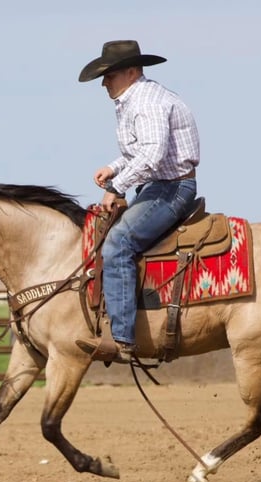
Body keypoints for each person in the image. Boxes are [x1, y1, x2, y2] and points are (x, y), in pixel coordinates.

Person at [75, 40, 200, 363]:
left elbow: (153, 155)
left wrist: (116, 187)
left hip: (170, 189)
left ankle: (122, 340)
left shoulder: (147, 103)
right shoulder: (139, 98)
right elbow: (141, 151)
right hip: (158, 185)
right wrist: (115, 167)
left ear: (131, 72)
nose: (104, 82)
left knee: (117, 243)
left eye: (109, 75)